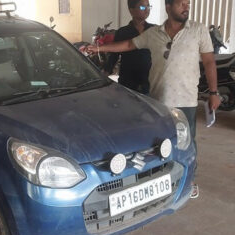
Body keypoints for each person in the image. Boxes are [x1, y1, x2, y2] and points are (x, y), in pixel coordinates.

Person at [87, 0, 221, 199]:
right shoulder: (154, 33)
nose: (186, 7)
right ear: (168, 7)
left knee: (187, 142)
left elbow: (209, 62)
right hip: (158, 100)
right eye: (181, 4)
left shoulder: (198, 30)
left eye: (188, 4)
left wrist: (213, 92)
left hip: (186, 100)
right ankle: (163, 178)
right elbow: (129, 44)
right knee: (160, 143)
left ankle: (189, 181)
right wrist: (99, 49)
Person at [104, 0, 154, 94]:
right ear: (131, 10)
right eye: (143, 7)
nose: (147, 10)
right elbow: (114, 56)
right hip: (128, 83)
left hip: (149, 83)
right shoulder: (122, 32)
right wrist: (105, 73)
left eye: (148, 6)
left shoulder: (154, 30)